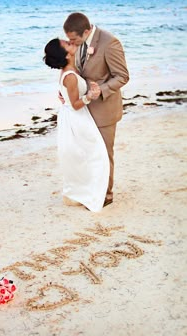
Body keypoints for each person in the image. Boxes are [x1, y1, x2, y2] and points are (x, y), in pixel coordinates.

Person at [63, 12, 129, 206]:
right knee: (89, 153)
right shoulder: (78, 42)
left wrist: (101, 90)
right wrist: (66, 91)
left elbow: (122, 76)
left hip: (104, 109)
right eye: (69, 40)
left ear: (86, 31)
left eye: (73, 39)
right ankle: (93, 190)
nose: (71, 43)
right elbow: (75, 72)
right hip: (84, 109)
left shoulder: (110, 42)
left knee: (104, 154)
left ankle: (107, 195)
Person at [44, 38, 109, 212]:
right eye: (65, 43)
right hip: (76, 118)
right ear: (64, 53)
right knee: (96, 155)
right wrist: (91, 95)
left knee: (83, 155)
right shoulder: (70, 76)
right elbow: (75, 104)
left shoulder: (70, 70)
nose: (69, 41)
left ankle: (76, 192)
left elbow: (67, 95)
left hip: (74, 116)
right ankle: (81, 193)